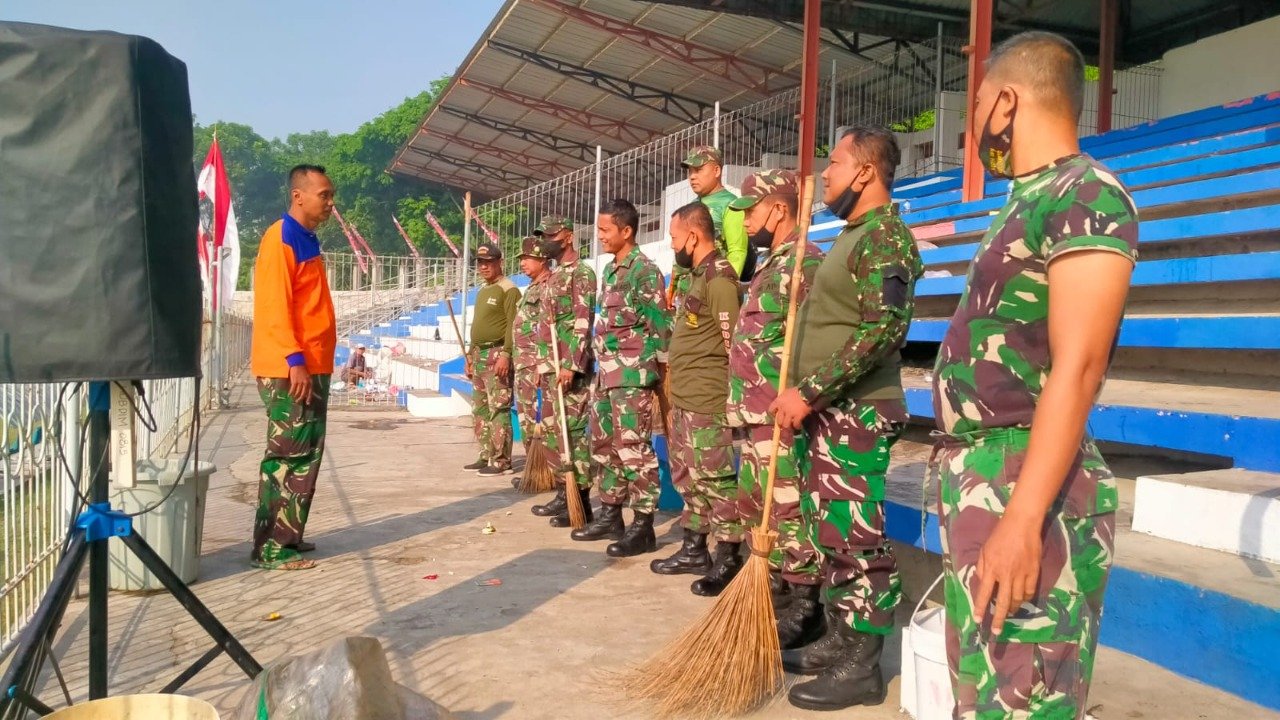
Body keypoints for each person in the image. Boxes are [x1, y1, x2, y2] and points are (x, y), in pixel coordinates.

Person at [932, 32, 1138, 720]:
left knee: (1027, 700)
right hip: (988, 476)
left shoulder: (1086, 193)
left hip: (1028, 484)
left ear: (1007, 102)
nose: (974, 124)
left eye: (979, 100)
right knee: (984, 696)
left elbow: (1078, 366)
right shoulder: (1028, 198)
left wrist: (1022, 518)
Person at [770, 125, 923, 710]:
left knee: (857, 538)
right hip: (829, 413)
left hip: (854, 412)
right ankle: (840, 638)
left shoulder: (885, 237)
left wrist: (807, 392)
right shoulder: (853, 234)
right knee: (831, 532)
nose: (824, 175)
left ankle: (863, 665)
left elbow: (883, 329)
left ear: (865, 172)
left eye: (833, 164)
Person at [723, 169, 824, 635]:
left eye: (752, 212)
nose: (744, 223)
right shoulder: (771, 264)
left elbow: (816, 342)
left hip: (778, 411)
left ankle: (805, 601)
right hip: (752, 409)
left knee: (785, 502)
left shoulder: (805, 263)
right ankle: (778, 586)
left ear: (779, 209)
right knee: (757, 500)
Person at [648, 202, 742, 594]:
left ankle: (729, 557)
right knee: (688, 478)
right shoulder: (695, 276)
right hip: (685, 399)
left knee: (716, 481)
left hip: (708, 400)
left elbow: (734, 345)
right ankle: (693, 548)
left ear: (692, 235)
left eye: (673, 237)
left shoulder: (719, 279)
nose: (672, 244)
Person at [249, 164, 337, 571]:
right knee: (287, 456)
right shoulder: (280, 237)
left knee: (305, 454)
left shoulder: (306, 238)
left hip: (311, 364)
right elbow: (274, 305)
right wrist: (294, 359)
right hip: (291, 368)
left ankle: (289, 535)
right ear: (298, 195)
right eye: (324, 194)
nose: (330, 202)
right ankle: (271, 548)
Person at [571, 199, 670, 557]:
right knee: (603, 446)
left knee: (633, 450)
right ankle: (610, 513)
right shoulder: (612, 271)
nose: (599, 237)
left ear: (626, 231)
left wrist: (663, 375)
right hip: (606, 375)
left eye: (604, 230)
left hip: (632, 376)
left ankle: (642, 526)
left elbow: (661, 326)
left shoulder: (644, 270)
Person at [530, 216, 598, 528]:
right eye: (543, 236)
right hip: (549, 367)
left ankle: (581, 500)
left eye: (551, 235)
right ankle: (563, 490)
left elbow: (583, 321)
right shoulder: (555, 276)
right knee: (556, 436)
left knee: (572, 435)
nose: (546, 240)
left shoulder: (581, 274)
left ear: (567, 236)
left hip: (568, 370)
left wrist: (572, 364)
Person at [463, 240, 521, 477]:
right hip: (478, 355)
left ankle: (501, 460)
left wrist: (506, 354)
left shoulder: (509, 289)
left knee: (499, 408)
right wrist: (469, 354)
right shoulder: (483, 290)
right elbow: (477, 327)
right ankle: (486, 453)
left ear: (499, 262)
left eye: (489, 263)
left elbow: (513, 326)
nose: (484, 267)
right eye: (480, 263)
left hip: (497, 354)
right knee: (480, 409)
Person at [670, 146, 750, 302]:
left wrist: (724, 289)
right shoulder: (692, 206)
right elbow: (681, 250)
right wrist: (673, 286)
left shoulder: (731, 205)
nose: (692, 176)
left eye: (698, 170)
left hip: (711, 293)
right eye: (690, 171)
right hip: (687, 293)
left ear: (717, 171)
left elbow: (737, 252)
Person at [512, 235, 553, 490]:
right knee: (527, 420)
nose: (523, 263)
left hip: (535, 364)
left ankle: (546, 471)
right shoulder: (532, 288)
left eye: (528, 258)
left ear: (542, 259)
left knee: (539, 421)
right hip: (523, 364)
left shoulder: (549, 286)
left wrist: (541, 362)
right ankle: (533, 469)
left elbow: (548, 327)